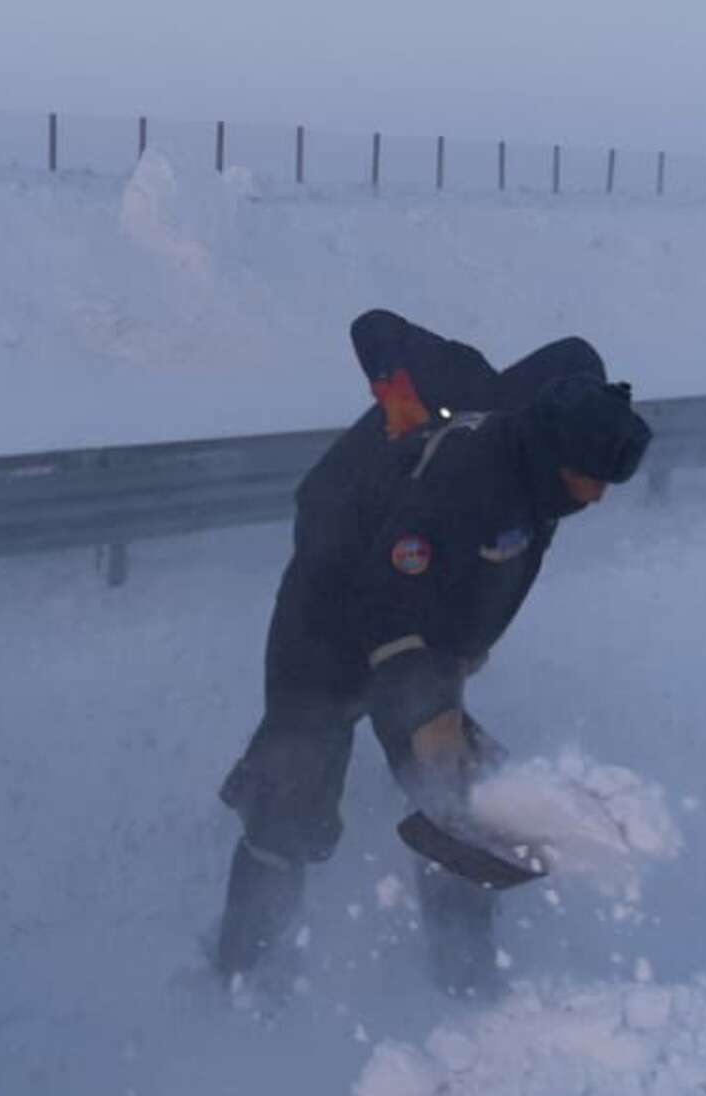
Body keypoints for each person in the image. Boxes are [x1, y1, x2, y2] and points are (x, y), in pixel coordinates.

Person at [215, 310, 652, 995]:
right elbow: (394, 602)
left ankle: (466, 988)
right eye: (588, 476)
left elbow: (462, 579)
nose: (595, 496)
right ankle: (245, 978)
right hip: (327, 615)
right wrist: (431, 713)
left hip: (414, 625)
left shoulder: (536, 458)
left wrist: (450, 674)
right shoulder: (470, 470)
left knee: (457, 801)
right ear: (556, 442)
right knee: (290, 793)